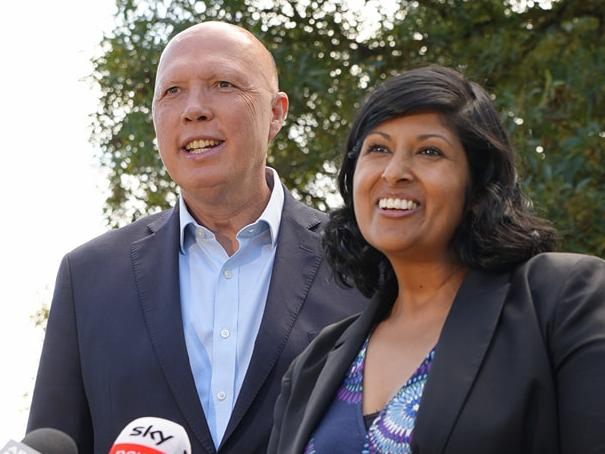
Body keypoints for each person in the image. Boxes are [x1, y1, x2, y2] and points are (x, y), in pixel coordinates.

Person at [27, 21, 367, 454]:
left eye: (222, 84)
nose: (194, 109)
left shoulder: (361, 263)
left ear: (277, 113)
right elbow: (54, 441)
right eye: (172, 92)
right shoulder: (88, 276)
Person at [268, 65, 605, 453]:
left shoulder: (561, 302)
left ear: (478, 188)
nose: (394, 173)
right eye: (378, 148)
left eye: (430, 151)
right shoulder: (315, 364)